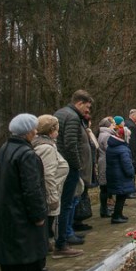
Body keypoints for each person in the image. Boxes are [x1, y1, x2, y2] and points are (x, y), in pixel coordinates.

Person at [0, 114, 47, 271]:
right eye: (33, 129)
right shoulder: (26, 154)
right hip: (20, 209)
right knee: (20, 248)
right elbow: (32, 188)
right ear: (27, 131)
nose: (35, 132)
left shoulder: (5, 148)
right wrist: (38, 214)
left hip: (5, 207)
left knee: (8, 247)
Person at [53, 89, 92, 258]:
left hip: (60, 164)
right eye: (87, 107)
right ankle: (62, 242)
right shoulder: (73, 117)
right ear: (79, 103)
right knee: (67, 203)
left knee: (65, 203)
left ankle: (66, 235)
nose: (87, 111)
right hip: (68, 167)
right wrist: (77, 165)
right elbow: (70, 144)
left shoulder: (60, 113)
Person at [30, 115, 68, 271]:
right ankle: (38, 267)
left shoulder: (45, 145)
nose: (58, 132)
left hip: (50, 193)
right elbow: (47, 175)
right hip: (49, 196)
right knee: (44, 232)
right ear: (51, 130)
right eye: (57, 129)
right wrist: (52, 198)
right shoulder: (46, 148)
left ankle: (39, 264)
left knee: (45, 232)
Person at [106, 117, 135, 224]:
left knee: (120, 196)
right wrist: (131, 173)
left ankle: (118, 214)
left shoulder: (112, 146)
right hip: (121, 176)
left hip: (114, 174)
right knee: (121, 196)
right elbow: (127, 164)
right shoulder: (123, 149)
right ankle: (117, 216)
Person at [97, 117, 115, 218]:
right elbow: (110, 149)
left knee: (104, 187)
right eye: (112, 124)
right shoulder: (107, 136)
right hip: (106, 161)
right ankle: (103, 209)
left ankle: (104, 208)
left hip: (103, 160)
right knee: (105, 187)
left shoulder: (101, 134)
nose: (114, 126)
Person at [125, 109, 136, 198]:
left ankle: (132, 187)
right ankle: (129, 191)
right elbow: (131, 143)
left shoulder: (131, 124)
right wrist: (134, 153)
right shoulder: (131, 126)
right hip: (132, 155)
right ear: (133, 115)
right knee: (131, 172)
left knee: (133, 172)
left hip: (133, 155)